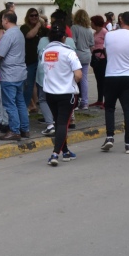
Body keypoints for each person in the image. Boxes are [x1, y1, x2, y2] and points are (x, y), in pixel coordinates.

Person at [101, 11, 129, 154]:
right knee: (128, 110)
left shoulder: (109, 35)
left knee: (109, 108)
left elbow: (108, 53)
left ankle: (109, 137)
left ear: (120, 20)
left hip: (111, 75)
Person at [41, 24, 83, 166]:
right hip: (66, 93)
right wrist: (70, 80)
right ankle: (55, 154)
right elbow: (78, 74)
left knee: (58, 122)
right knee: (63, 124)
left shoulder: (45, 52)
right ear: (64, 37)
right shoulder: (69, 52)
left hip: (50, 94)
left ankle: (65, 151)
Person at [0, 11, 30, 141]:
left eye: (2, 20)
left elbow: (0, 54)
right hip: (20, 73)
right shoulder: (19, 32)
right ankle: (25, 129)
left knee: (10, 104)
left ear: (5, 20)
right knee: (20, 102)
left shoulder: (8, 35)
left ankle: (14, 130)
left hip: (9, 74)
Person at [21, 8, 44, 111]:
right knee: (28, 86)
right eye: (32, 15)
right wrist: (38, 25)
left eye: (36, 15)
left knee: (41, 86)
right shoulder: (24, 27)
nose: (34, 17)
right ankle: (26, 108)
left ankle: (40, 107)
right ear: (28, 17)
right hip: (29, 61)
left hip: (42, 62)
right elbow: (29, 35)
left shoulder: (43, 29)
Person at [70, 9, 93, 110]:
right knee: (84, 79)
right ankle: (85, 102)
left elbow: (73, 43)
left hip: (77, 54)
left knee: (74, 78)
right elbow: (92, 45)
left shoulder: (74, 28)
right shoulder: (89, 30)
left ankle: (75, 101)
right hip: (87, 54)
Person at [89, 15, 107, 108]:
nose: (90, 23)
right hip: (96, 58)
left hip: (103, 58)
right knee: (98, 80)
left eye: (91, 22)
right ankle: (100, 100)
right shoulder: (95, 33)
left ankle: (106, 101)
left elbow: (107, 45)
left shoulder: (104, 32)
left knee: (103, 80)